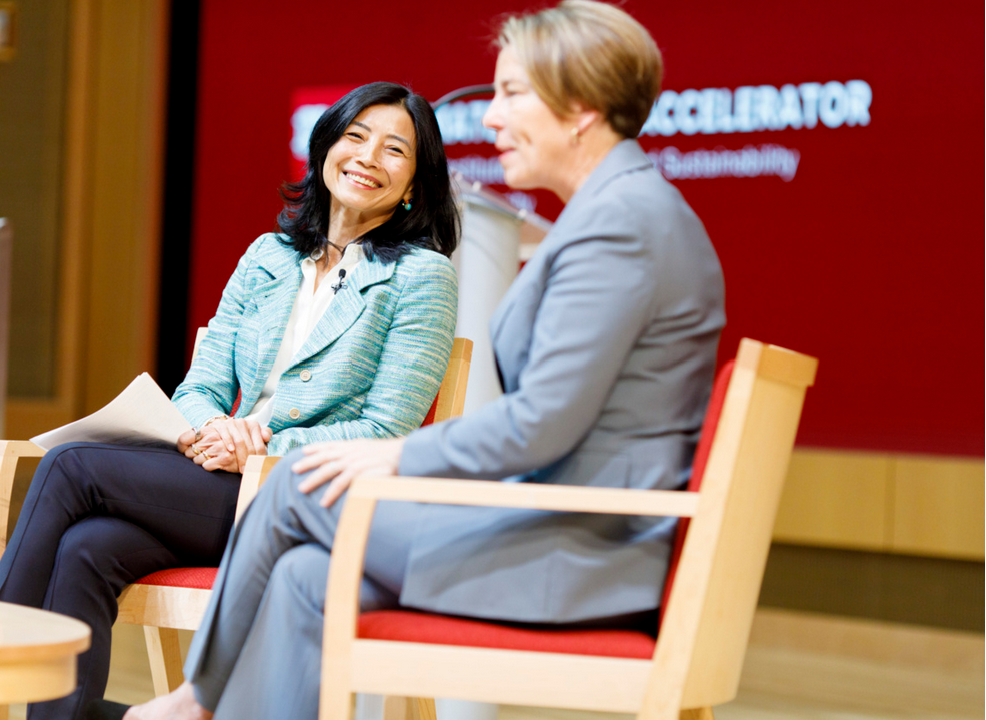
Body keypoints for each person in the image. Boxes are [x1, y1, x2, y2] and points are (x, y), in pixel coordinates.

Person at [128, 2, 725, 718]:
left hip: (581, 552)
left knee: (295, 490)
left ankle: (196, 700)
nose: (491, 117)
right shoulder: (626, 210)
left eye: (511, 94)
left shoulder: (620, 227)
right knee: (302, 577)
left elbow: (541, 426)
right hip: (571, 531)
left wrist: (396, 458)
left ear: (580, 110)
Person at [0, 81, 460, 720]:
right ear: (326, 149)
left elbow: (384, 431)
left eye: (394, 150)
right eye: (354, 137)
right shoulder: (270, 255)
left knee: (72, 466)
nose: (368, 156)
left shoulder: (421, 276)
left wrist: (258, 444)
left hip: (306, 500)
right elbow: (200, 386)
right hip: (217, 481)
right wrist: (213, 429)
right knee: (87, 546)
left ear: (414, 185)